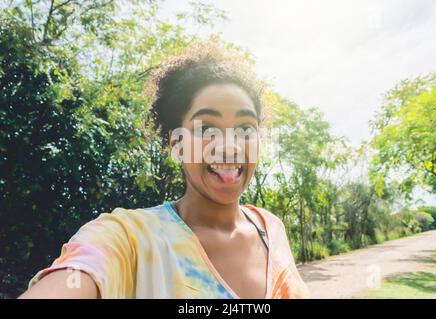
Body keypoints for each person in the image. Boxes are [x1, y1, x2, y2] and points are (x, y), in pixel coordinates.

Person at [19, 39, 310, 299]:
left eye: (245, 128)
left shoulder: (270, 228)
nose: (230, 146)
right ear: (177, 144)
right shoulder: (131, 238)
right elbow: (78, 275)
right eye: (207, 127)